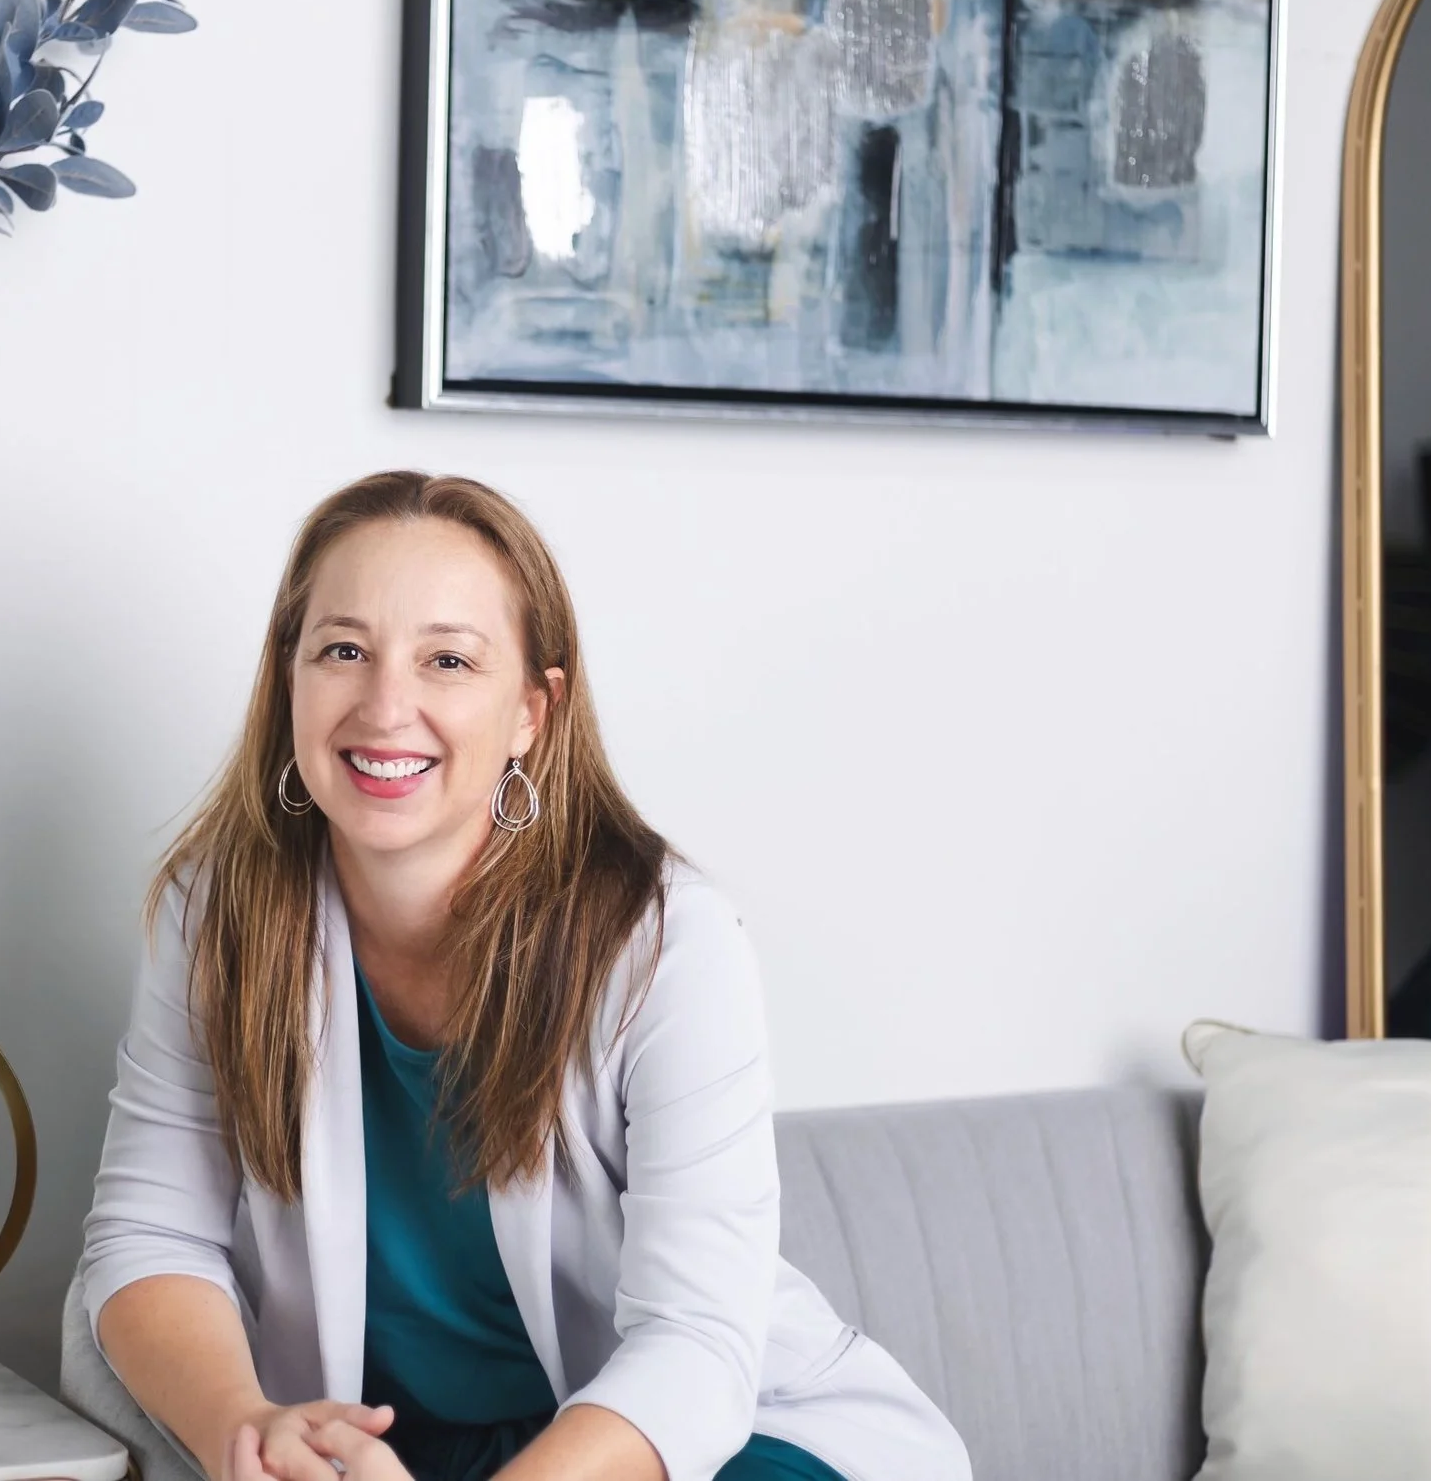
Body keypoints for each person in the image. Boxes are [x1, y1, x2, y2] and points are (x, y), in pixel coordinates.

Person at [79, 472, 970, 1481]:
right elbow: (149, 1235)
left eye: (448, 659)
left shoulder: (668, 942)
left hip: (680, 1441)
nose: (385, 705)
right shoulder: (217, 911)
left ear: (530, 713)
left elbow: (692, 1345)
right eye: (341, 650)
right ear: (288, 674)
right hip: (400, 1451)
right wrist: (249, 1427)